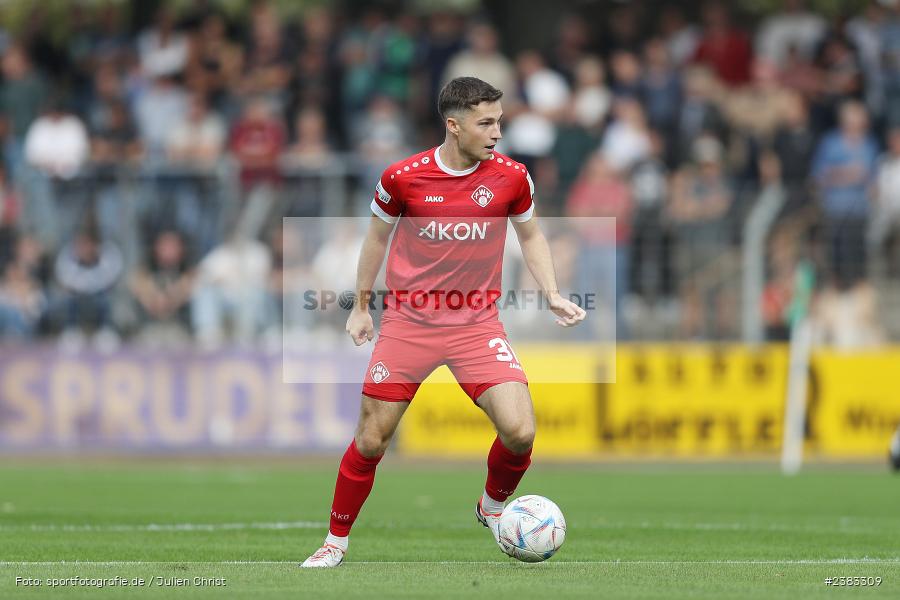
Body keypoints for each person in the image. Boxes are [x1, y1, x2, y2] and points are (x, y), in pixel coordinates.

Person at [301, 77, 586, 568]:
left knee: (520, 431)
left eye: (499, 121)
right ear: (454, 126)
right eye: (486, 123)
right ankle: (335, 542)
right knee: (372, 439)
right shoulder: (402, 178)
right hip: (409, 324)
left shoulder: (512, 177)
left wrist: (553, 293)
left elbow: (533, 237)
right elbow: (375, 241)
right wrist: (361, 306)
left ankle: (492, 506)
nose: (497, 132)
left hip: (476, 324)